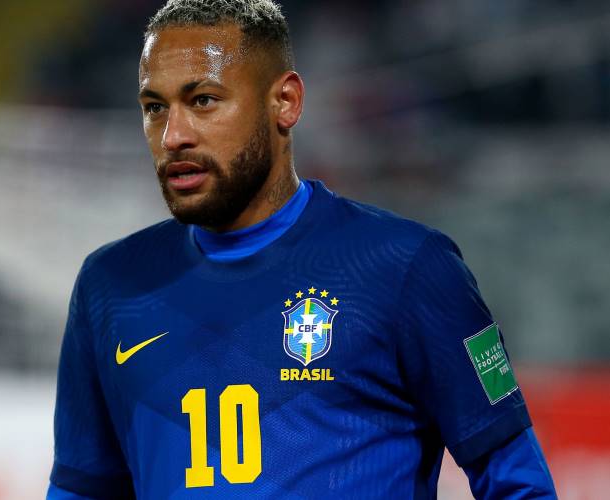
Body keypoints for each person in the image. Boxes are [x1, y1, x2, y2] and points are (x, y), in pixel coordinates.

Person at [48, 1, 557, 498]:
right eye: (154, 107)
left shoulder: (408, 266)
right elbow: (79, 489)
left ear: (285, 102)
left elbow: (518, 481)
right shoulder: (110, 285)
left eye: (202, 100)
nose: (173, 135)